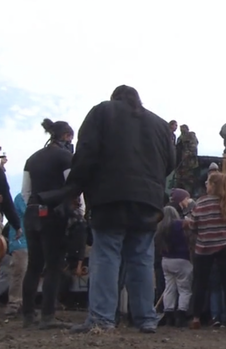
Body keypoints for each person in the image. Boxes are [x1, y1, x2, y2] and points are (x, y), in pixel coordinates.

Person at [67, 85, 175, 333]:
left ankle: (102, 319)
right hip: (148, 200)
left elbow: (86, 153)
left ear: (114, 98)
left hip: (109, 196)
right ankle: (146, 318)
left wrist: (74, 188)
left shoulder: (102, 112)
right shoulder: (160, 124)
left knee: (106, 255)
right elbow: (170, 161)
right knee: (142, 258)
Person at [21, 118, 75, 329]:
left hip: (32, 213)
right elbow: (72, 188)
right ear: (66, 136)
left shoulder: (31, 159)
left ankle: (27, 315)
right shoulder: (65, 157)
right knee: (53, 266)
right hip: (54, 214)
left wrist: (34, 207)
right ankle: (47, 315)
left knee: (34, 266)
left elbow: (26, 192)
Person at [186, 172, 226, 330]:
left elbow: (193, 226)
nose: (206, 185)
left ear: (214, 185)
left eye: (208, 183)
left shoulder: (201, 203)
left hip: (204, 247)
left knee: (200, 284)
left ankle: (196, 319)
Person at [155, 206, 192, 327]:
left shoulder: (160, 227)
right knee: (184, 289)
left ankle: (168, 314)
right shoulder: (179, 224)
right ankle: (181, 316)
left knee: (169, 289)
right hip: (182, 259)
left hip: (166, 260)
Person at [3, 192, 27, 317]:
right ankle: (14, 303)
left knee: (27, 272)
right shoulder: (21, 198)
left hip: (31, 241)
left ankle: (24, 303)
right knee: (19, 270)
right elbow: (28, 213)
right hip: (19, 240)